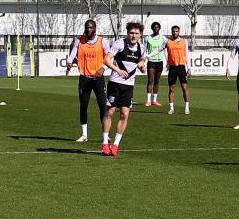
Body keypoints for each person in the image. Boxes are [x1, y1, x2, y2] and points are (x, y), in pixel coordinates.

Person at [100, 21, 145, 156]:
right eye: (131, 33)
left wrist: (142, 66)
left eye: (136, 33)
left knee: (124, 115)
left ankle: (115, 145)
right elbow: (106, 60)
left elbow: (141, 60)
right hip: (115, 83)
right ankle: (104, 143)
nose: (134, 35)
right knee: (110, 113)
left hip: (129, 86)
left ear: (140, 35)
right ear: (127, 32)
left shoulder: (141, 47)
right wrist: (117, 70)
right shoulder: (119, 44)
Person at [65, 19, 109, 143]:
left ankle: (105, 135)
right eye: (87, 27)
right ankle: (84, 135)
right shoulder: (79, 41)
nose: (89, 30)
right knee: (83, 106)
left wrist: (103, 68)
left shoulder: (102, 41)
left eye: (91, 27)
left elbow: (110, 57)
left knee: (102, 105)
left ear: (95, 28)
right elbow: (73, 54)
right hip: (84, 78)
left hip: (98, 78)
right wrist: (69, 62)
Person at [165, 25, 191, 115]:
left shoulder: (184, 41)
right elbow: (159, 50)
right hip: (172, 68)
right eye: (173, 31)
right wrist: (148, 56)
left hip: (181, 67)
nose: (175, 33)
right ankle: (171, 108)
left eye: (176, 31)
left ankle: (187, 107)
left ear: (179, 32)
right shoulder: (168, 41)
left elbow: (187, 55)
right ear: (171, 32)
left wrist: (189, 68)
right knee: (171, 88)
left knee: (184, 87)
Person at [143, 21, 167, 107]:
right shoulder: (147, 38)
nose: (156, 28)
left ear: (159, 28)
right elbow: (144, 50)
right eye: (154, 27)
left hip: (159, 61)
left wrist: (167, 61)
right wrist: (144, 61)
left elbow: (165, 50)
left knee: (157, 81)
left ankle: (154, 100)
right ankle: (148, 100)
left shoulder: (163, 38)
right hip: (151, 61)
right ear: (152, 28)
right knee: (150, 80)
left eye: (157, 27)